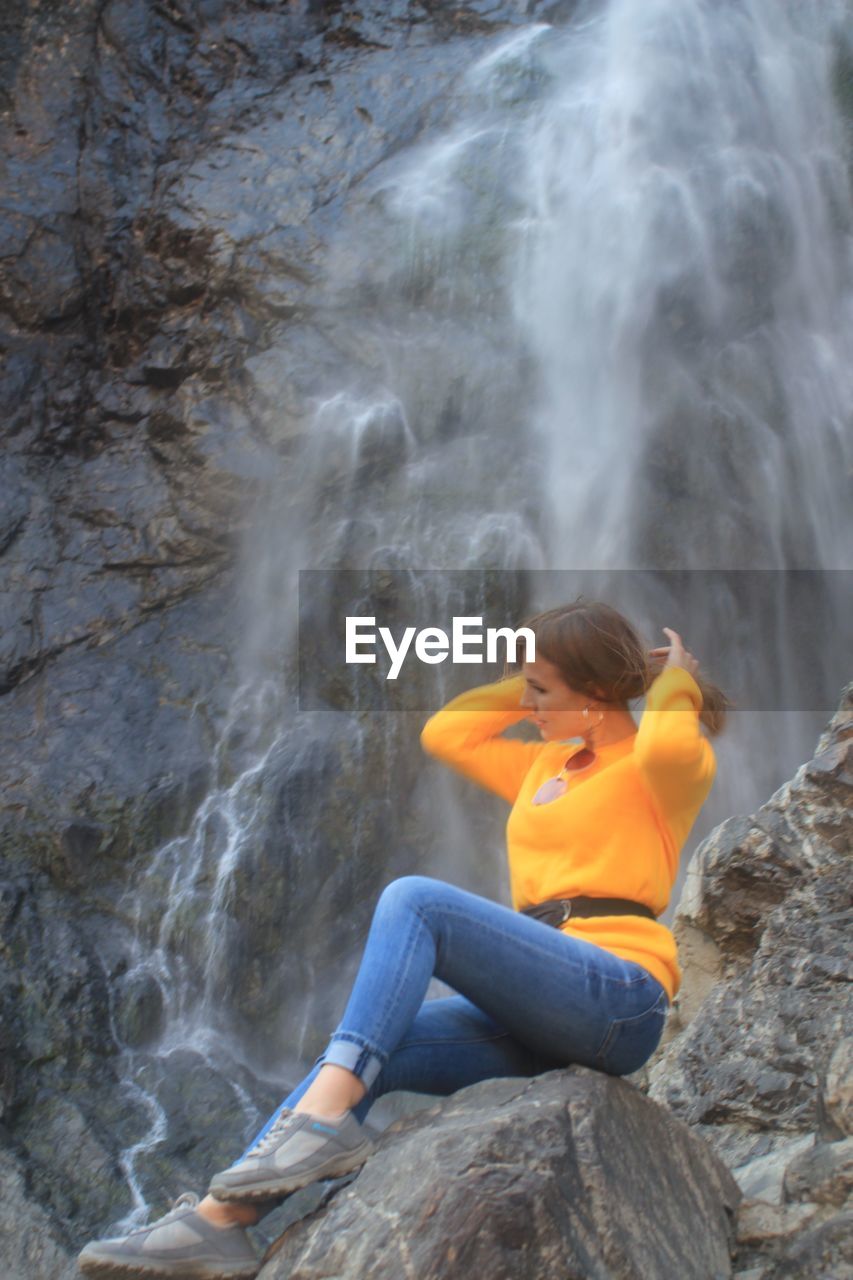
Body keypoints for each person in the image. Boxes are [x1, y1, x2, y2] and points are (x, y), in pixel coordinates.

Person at [78, 598, 729, 1279]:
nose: (529, 706)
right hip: (540, 1005)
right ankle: (218, 1224)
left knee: (415, 901)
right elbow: (448, 733)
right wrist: (539, 673)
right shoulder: (547, 767)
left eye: (540, 692)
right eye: (526, 691)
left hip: (617, 998)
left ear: (594, 695)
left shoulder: (662, 772)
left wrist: (670, 681)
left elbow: (660, 740)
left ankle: (317, 1129)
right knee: (383, 1046)